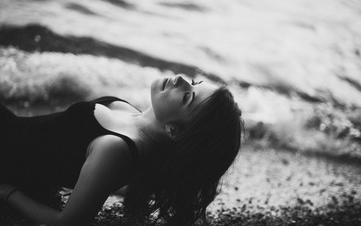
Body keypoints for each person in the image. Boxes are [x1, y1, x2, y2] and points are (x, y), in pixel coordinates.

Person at [0, 75, 243, 226]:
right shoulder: (133, 119)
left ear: (173, 131)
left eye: (187, 97)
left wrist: (8, 193)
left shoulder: (116, 149)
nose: (180, 79)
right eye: (194, 83)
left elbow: (68, 221)